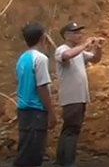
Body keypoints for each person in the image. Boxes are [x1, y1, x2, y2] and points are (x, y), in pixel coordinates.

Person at [54, 22, 104, 167]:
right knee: (72, 130)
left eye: (80, 32)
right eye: (75, 32)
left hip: (79, 96)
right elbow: (67, 55)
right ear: (66, 35)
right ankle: (68, 162)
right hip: (71, 97)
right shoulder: (62, 49)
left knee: (69, 129)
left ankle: (61, 160)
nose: (80, 35)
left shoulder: (79, 52)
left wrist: (98, 48)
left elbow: (95, 59)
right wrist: (85, 45)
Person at [15, 22, 55, 167]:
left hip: (23, 110)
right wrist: (51, 112)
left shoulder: (22, 58)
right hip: (36, 111)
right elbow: (42, 87)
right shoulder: (40, 59)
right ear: (43, 37)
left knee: (25, 149)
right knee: (33, 155)